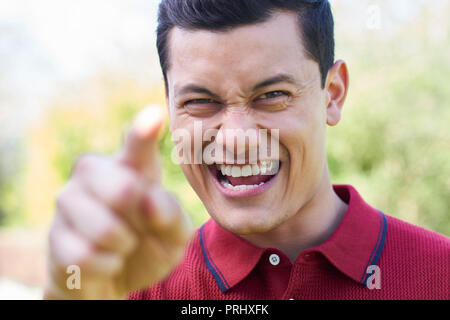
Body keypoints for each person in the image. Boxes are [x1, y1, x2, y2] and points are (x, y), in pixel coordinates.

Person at [44, 0, 449, 300]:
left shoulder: (440, 275)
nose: (237, 139)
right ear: (168, 105)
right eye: (201, 101)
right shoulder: (131, 287)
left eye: (272, 95)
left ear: (333, 94)